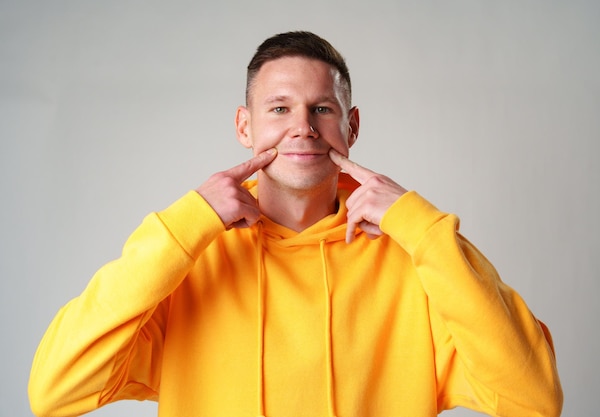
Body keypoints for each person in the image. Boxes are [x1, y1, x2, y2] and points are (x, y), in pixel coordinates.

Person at [29, 31, 563, 417]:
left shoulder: (414, 260)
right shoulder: (190, 261)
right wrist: (185, 221)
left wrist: (422, 229)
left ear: (350, 125)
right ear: (245, 126)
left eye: (322, 109)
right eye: (279, 109)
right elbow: (55, 391)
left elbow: (533, 399)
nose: (303, 128)